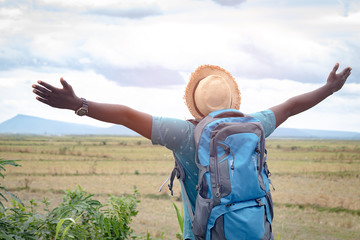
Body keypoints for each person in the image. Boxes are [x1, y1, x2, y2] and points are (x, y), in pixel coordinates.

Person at [32, 63, 352, 240]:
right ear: (232, 103)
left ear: (195, 104)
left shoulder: (185, 133)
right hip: (253, 229)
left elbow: (127, 115)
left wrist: (79, 105)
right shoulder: (254, 124)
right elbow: (293, 106)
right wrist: (330, 87)